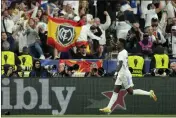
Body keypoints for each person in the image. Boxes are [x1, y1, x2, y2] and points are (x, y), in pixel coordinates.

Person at [99, 38, 157, 113]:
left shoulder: (121, 53)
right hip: (121, 74)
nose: (117, 44)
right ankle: (108, 107)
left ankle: (149, 93)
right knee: (115, 91)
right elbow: (117, 47)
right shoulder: (124, 51)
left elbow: (120, 64)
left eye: (118, 43)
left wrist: (115, 74)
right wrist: (113, 43)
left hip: (124, 74)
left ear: (122, 44)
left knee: (131, 92)